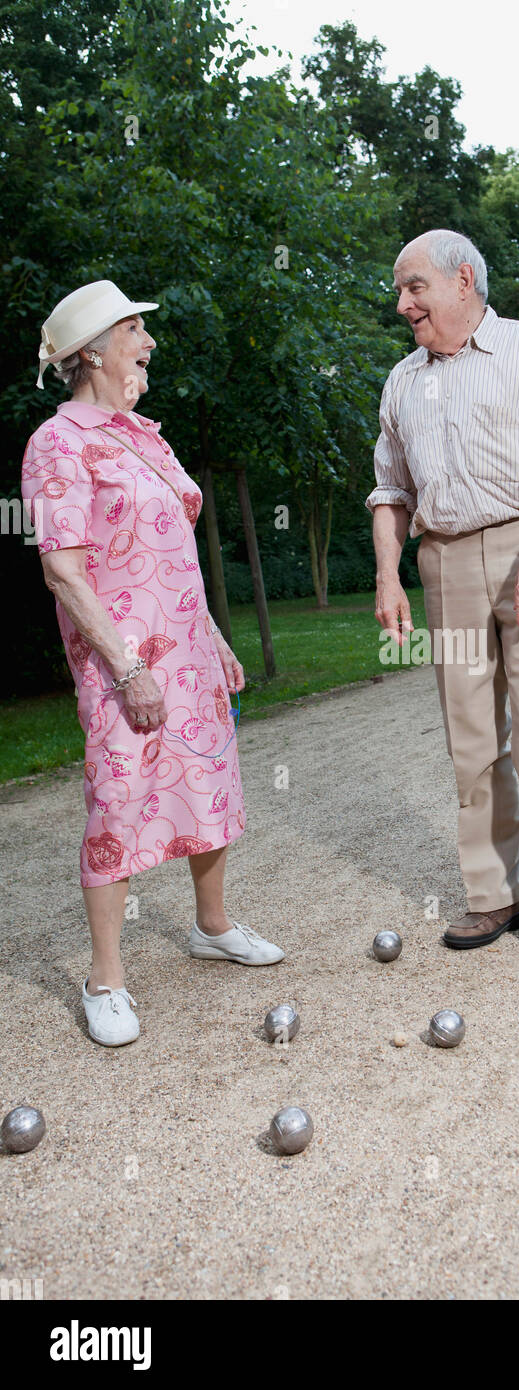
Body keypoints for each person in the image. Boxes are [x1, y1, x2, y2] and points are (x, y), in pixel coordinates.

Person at [22, 280, 284, 1047]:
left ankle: (212, 925)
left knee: (208, 781)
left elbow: (173, 556)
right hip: (121, 662)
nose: (149, 343)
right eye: (135, 329)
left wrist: (213, 636)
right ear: (92, 351)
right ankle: (105, 979)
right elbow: (64, 570)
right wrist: (129, 666)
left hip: (188, 650)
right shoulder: (59, 443)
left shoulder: (147, 436)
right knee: (118, 801)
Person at [367, 230, 519, 984]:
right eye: (401, 292)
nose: (403, 303)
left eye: (414, 287)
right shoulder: (403, 381)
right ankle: (496, 896)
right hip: (444, 562)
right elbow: (390, 490)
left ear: (462, 279)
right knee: (471, 741)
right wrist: (387, 575)